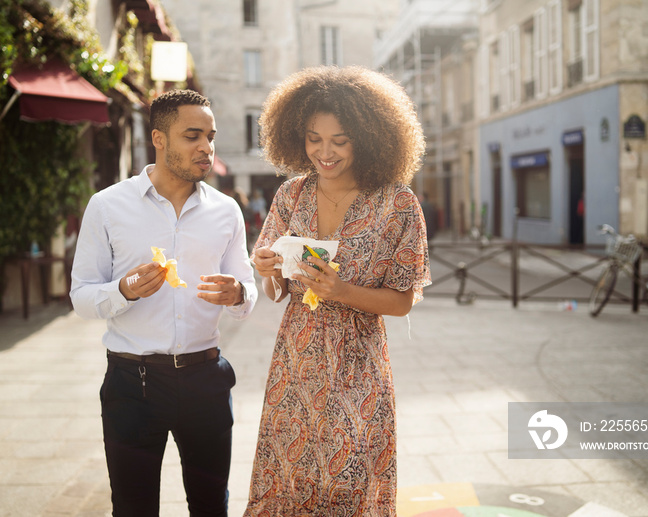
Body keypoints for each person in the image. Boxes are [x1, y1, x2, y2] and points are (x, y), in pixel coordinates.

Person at [245, 66, 431, 516]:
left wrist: (342, 289)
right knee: (291, 478)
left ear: (368, 137)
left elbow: (403, 301)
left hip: (359, 366)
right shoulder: (291, 195)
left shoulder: (398, 204)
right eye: (313, 139)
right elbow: (275, 288)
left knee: (350, 478)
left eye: (339, 141)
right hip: (297, 360)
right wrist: (266, 267)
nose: (323, 152)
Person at [70, 88, 257, 517]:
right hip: (131, 384)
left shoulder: (226, 211)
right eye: (192, 136)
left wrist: (238, 293)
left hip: (206, 377)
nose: (206, 147)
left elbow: (246, 293)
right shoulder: (107, 206)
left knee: (212, 506)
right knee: (133, 509)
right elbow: (80, 296)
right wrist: (124, 290)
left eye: (210, 136)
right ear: (158, 138)